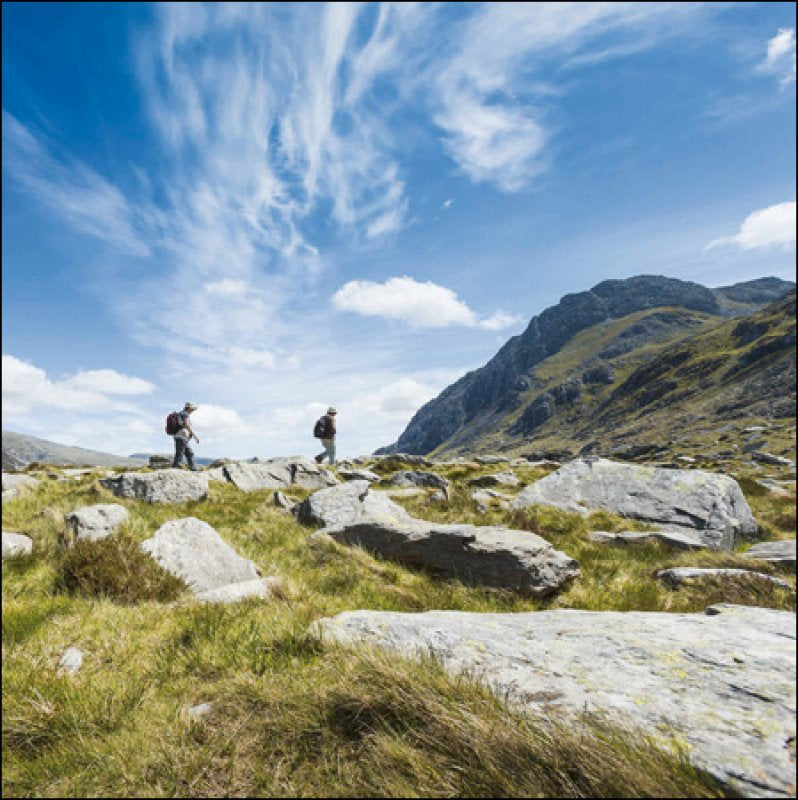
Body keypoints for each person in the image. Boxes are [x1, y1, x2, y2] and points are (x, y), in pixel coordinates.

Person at [172, 402, 200, 471]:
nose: (192, 411)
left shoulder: (182, 413)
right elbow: (186, 425)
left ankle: (193, 468)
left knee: (190, 453)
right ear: (189, 408)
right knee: (180, 453)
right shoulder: (185, 414)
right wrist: (195, 436)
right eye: (192, 409)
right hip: (181, 436)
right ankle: (176, 468)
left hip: (181, 437)